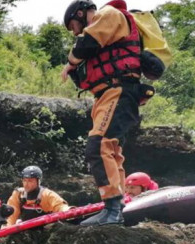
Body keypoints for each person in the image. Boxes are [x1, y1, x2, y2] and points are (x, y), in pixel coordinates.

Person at [61, 0, 145, 226]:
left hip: (117, 90)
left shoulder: (108, 14)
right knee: (111, 149)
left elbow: (84, 45)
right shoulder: (105, 28)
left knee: (98, 146)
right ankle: (117, 206)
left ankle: (112, 209)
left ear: (80, 13)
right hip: (107, 95)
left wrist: (70, 63)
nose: (75, 32)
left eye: (74, 26)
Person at [5, 166, 70, 226]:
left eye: (30, 181)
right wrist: (5, 231)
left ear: (38, 181)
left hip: (44, 229)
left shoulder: (47, 194)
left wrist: (68, 210)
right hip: (26, 230)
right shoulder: (18, 194)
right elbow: (11, 217)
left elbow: (60, 206)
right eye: (24, 180)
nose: (26, 184)